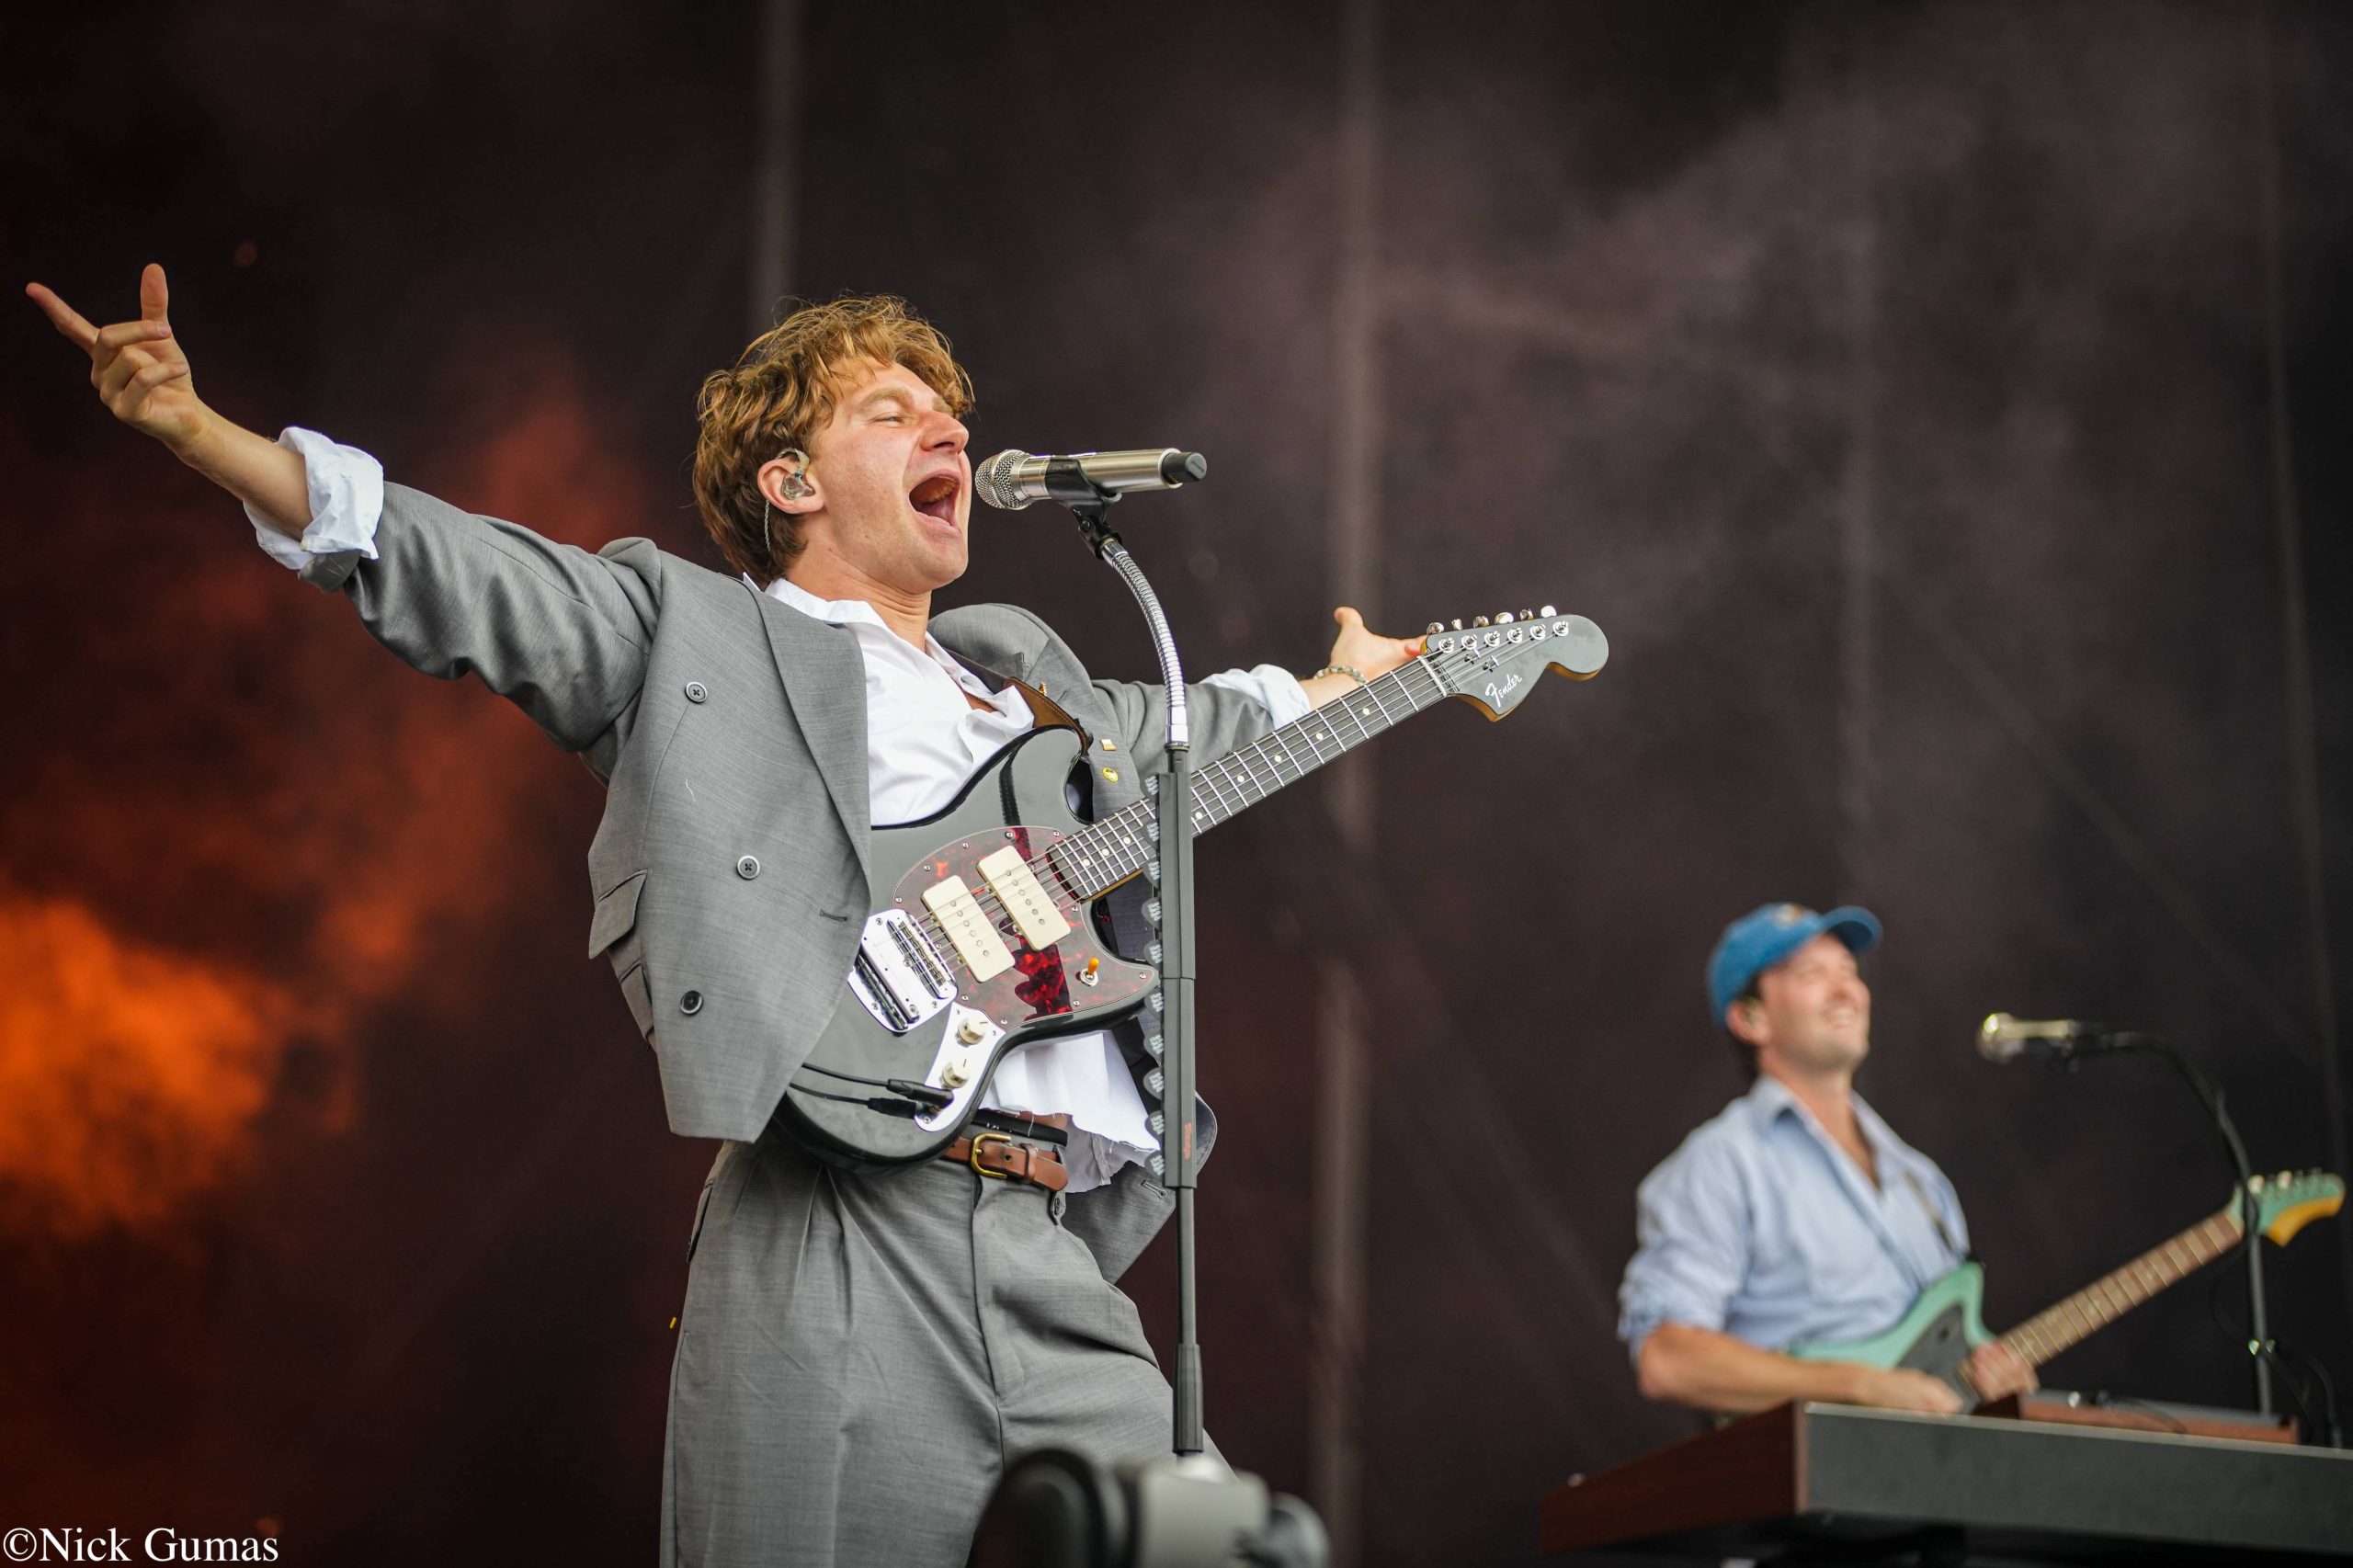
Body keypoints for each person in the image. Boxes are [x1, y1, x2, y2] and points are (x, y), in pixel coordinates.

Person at [28, 266, 1421, 1566]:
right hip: (837, 1233)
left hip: (1053, 1247)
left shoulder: (1041, 697)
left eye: (953, 413)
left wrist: (1344, 682)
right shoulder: (692, 638)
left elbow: (1212, 725)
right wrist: (204, 434)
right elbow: (472, 576)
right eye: (897, 411)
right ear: (790, 480)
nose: (948, 427)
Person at [1616, 902, 2037, 1416]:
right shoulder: (1723, 1161)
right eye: (1811, 974)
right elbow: (1668, 1361)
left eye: (1850, 972)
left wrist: (2000, 1384)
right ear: (1751, 1019)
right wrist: (1857, 1385)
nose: (1846, 991)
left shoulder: (1921, 1180)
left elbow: (1953, 1370)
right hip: (1815, 1481)